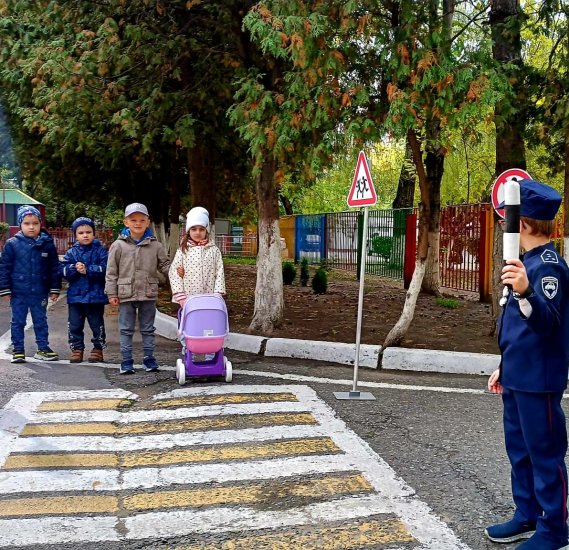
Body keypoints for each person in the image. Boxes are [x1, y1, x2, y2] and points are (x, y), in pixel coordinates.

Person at [486, 179, 569, 550]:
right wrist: (505, 365)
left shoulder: (548, 268)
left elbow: (547, 324)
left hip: (540, 379)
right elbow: (516, 327)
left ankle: (554, 530)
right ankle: (528, 514)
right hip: (518, 374)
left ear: (521, 223)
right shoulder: (524, 264)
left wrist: (526, 290)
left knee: (545, 455)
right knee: (519, 452)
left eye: (508, 220)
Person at [105, 203, 170, 374]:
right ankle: (126, 360)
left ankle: (149, 358)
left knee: (148, 328)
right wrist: (111, 293)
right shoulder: (118, 245)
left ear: (148, 222)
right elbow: (111, 271)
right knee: (126, 329)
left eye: (142, 220)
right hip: (125, 293)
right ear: (126, 222)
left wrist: (177, 273)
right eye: (133, 220)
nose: (138, 223)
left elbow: (164, 265)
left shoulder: (155, 245)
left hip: (148, 293)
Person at [0, 205, 62, 363]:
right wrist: (5, 289)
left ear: (40, 224)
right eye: (27, 223)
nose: (31, 227)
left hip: (40, 291)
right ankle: (18, 350)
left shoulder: (47, 244)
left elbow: (54, 268)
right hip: (18, 292)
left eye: (35, 223)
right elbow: (4, 268)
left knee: (40, 321)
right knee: (18, 321)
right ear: (20, 224)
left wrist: (54, 288)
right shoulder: (12, 244)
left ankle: (43, 348)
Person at [61, 217, 108, 363]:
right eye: (81, 233)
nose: (85, 235)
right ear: (75, 235)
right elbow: (62, 271)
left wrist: (88, 269)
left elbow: (107, 270)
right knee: (74, 324)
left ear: (94, 233)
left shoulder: (101, 251)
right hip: (75, 297)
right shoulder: (71, 253)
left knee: (97, 325)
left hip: (96, 297)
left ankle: (98, 349)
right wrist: (73, 268)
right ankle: (77, 349)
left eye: (88, 232)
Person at [168, 206, 226, 309]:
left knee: (207, 318)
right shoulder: (183, 250)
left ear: (206, 231)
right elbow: (174, 272)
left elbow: (219, 271)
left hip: (210, 298)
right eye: (194, 229)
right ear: (188, 231)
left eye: (201, 229)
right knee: (191, 318)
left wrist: (217, 294)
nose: (197, 232)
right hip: (188, 298)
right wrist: (180, 295)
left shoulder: (214, 250)